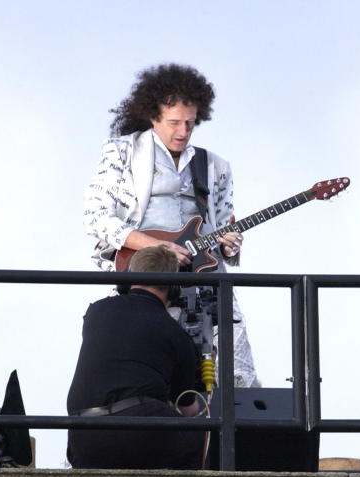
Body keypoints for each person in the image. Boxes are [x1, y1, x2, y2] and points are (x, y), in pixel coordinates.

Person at [83, 63, 261, 388]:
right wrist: (157, 247)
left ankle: (241, 426)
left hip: (205, 278)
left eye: (190, 124)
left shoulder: (216, 166)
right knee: (153, 364)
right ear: (153, 117)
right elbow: (96, 219)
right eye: (174, 123)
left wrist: (230, 244)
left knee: (237, 369)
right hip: (147, 274)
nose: (182, 132)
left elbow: (222, 228)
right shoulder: (121, 152)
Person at [66, 247, 208, 470]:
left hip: (83, 439)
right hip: (139, 434)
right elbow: (187, 407)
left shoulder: (96, 311)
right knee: (209, 438)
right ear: (173, 290)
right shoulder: (176, 334)